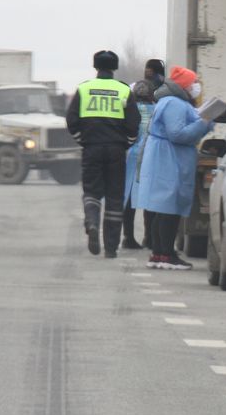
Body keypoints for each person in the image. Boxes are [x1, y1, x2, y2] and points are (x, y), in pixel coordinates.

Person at [133, 66, 214, 270]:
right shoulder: (175, 104)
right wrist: (203, 123)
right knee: (169, 208)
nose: (196, 86)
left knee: (163, 207)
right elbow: (177, 134)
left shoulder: (171, 101)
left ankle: (160, 253)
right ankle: (166, 253)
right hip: (169, 160)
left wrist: (203, 122)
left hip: (166, 158)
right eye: (194, 82)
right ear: (184, 85)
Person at [65, 50, 140, 258]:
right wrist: (127, 143)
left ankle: (91, 222)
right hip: (116, 149)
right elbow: (134, 124)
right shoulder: (124, 90)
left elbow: (71, 121)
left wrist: (83, 140)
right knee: (115, 197)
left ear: (95, 67)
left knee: (91, 191)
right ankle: (111, 247)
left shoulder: (84, 89)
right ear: (115, 68)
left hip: (91, 148)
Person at [121, 78, 157, 250]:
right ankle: (149, 237)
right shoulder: (157, 109)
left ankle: (128, 237)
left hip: (130, 157)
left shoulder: (129, 109)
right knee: (150, 198)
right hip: (151, 157)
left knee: (128, 198)